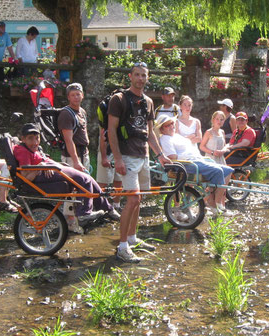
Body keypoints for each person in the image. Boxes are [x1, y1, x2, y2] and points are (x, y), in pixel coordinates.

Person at [107, 62, 171, 263]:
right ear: (130, 76)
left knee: (139, 199)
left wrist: (159, 155)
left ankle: (133, 238)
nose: (140, 79)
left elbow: (150, 132)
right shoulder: (119, 99)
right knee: (132, 199)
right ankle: (122, 246)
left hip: (143, 155)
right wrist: (117, 158)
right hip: (126, 156)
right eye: (137, 75)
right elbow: (111, 130)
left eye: (144, 75)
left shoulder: (149, 102)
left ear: (147, 77)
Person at [13, 123, 118, 233]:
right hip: (45, 175)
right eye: (30, 139)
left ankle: (108, 209)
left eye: (37, 138)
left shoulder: (31, 149)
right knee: (85, 180)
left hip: (51, 169)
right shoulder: (22, 151)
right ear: (23, 139)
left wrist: (47, 164)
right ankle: (84, 214)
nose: (35, 142)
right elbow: (25, 177)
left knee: (89, 179)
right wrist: (41, 167)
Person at [157, 115, 234, 217]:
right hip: (187, 163)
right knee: (218, 171)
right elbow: (172, 157)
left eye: (172, 123)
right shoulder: (165, 139)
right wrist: (191, 156)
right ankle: (217, 203)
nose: (172, 126)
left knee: (228, 170)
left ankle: (212, 200)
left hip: (197, 159)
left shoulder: (177, 136)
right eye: (168, 125)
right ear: (162, 129)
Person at [58, 83, 90, 172]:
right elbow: (68, 140)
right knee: (73, 184)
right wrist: (76, 161)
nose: (76, 97)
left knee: (84, 184)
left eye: (78, 94)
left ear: (82, 95)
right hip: (72, 158)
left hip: (84, 154)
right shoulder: (66, 114)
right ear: (68, 97)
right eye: (72, 95)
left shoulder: (82, 112)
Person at [96, 127, 122, 211]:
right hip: (107, 150)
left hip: (120, 150)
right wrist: (104, 157)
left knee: (119, 180)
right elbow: (102, 135)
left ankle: (116, 206)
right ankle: (99, 207)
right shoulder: (106, 117)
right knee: (103, 182)